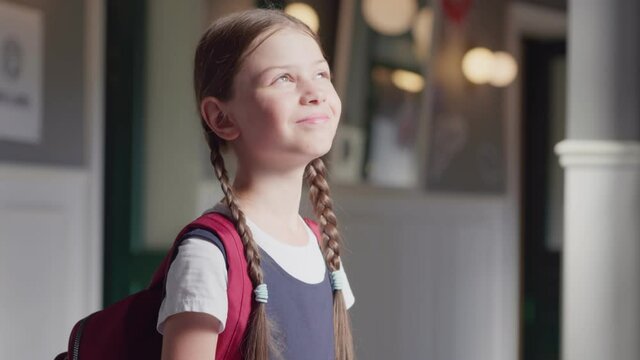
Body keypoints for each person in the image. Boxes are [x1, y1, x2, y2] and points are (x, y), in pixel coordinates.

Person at [157, 8, 355, 360]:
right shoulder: (208, 255)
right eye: (283, 78)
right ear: (222, 117)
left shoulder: (323, 249)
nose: (315, 92)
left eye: (321, 74)